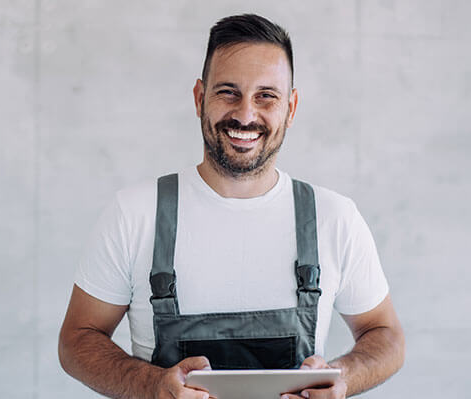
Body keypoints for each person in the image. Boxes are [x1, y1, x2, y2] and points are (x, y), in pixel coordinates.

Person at [58, 13, 404, 399]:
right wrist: (151, 385)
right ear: (198, 98)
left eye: (265, 96)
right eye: (228, 91)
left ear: (290, 108)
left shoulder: (334, 218)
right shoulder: (135, 214)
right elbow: (77, 340)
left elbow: (385, 334)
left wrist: (343, 379)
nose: (245, 114)